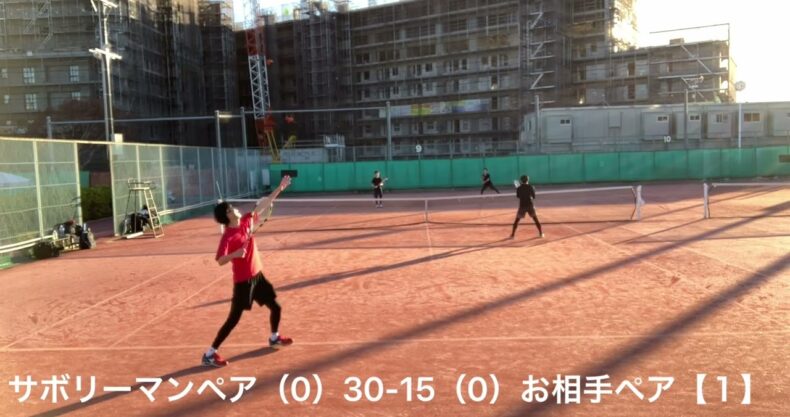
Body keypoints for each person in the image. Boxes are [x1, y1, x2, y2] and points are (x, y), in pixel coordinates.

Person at [202, 175, 293, 367]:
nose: (235, 209)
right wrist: (235, 254)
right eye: (231, 209)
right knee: (233, 319)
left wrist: (280, 188)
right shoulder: (228, 236)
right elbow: (220, 260)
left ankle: (274, 337)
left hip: (257, 276)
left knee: (276, 307)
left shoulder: (246, 221)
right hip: (243, 282)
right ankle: (210, 353)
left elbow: (264, 205)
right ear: (228, 215)